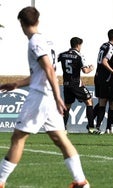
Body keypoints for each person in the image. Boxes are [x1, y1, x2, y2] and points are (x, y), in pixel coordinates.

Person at [0, 6, 90, 188]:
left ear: (22, 23)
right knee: (60, 139)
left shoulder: (35, 42)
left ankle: (0, 180)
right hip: (47, 97)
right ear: (37, 21)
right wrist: (17, 84)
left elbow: (49, 69)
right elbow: (41, 72)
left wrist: (58, 97)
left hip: (40, 97)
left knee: (18, 138)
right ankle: (80, 181)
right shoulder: (46, 41)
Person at [58, 37, 94, 132]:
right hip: (76, 84)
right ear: (78, 45)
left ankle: (63, 128)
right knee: (89, 101)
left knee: (67, 106)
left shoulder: (62, 54)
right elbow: (85, 70)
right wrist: (91, 68)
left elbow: (55, 60)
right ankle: (91, 127)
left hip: (66, 83)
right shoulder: (79, 55)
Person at [94, 29, 113, 134]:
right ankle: (106, 127)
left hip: (98, 76)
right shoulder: (111, 48)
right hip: (106, 78)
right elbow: (104, 61)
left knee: (102, 102)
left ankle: (96, 125)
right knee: (109, 103)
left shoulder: (103, 45)